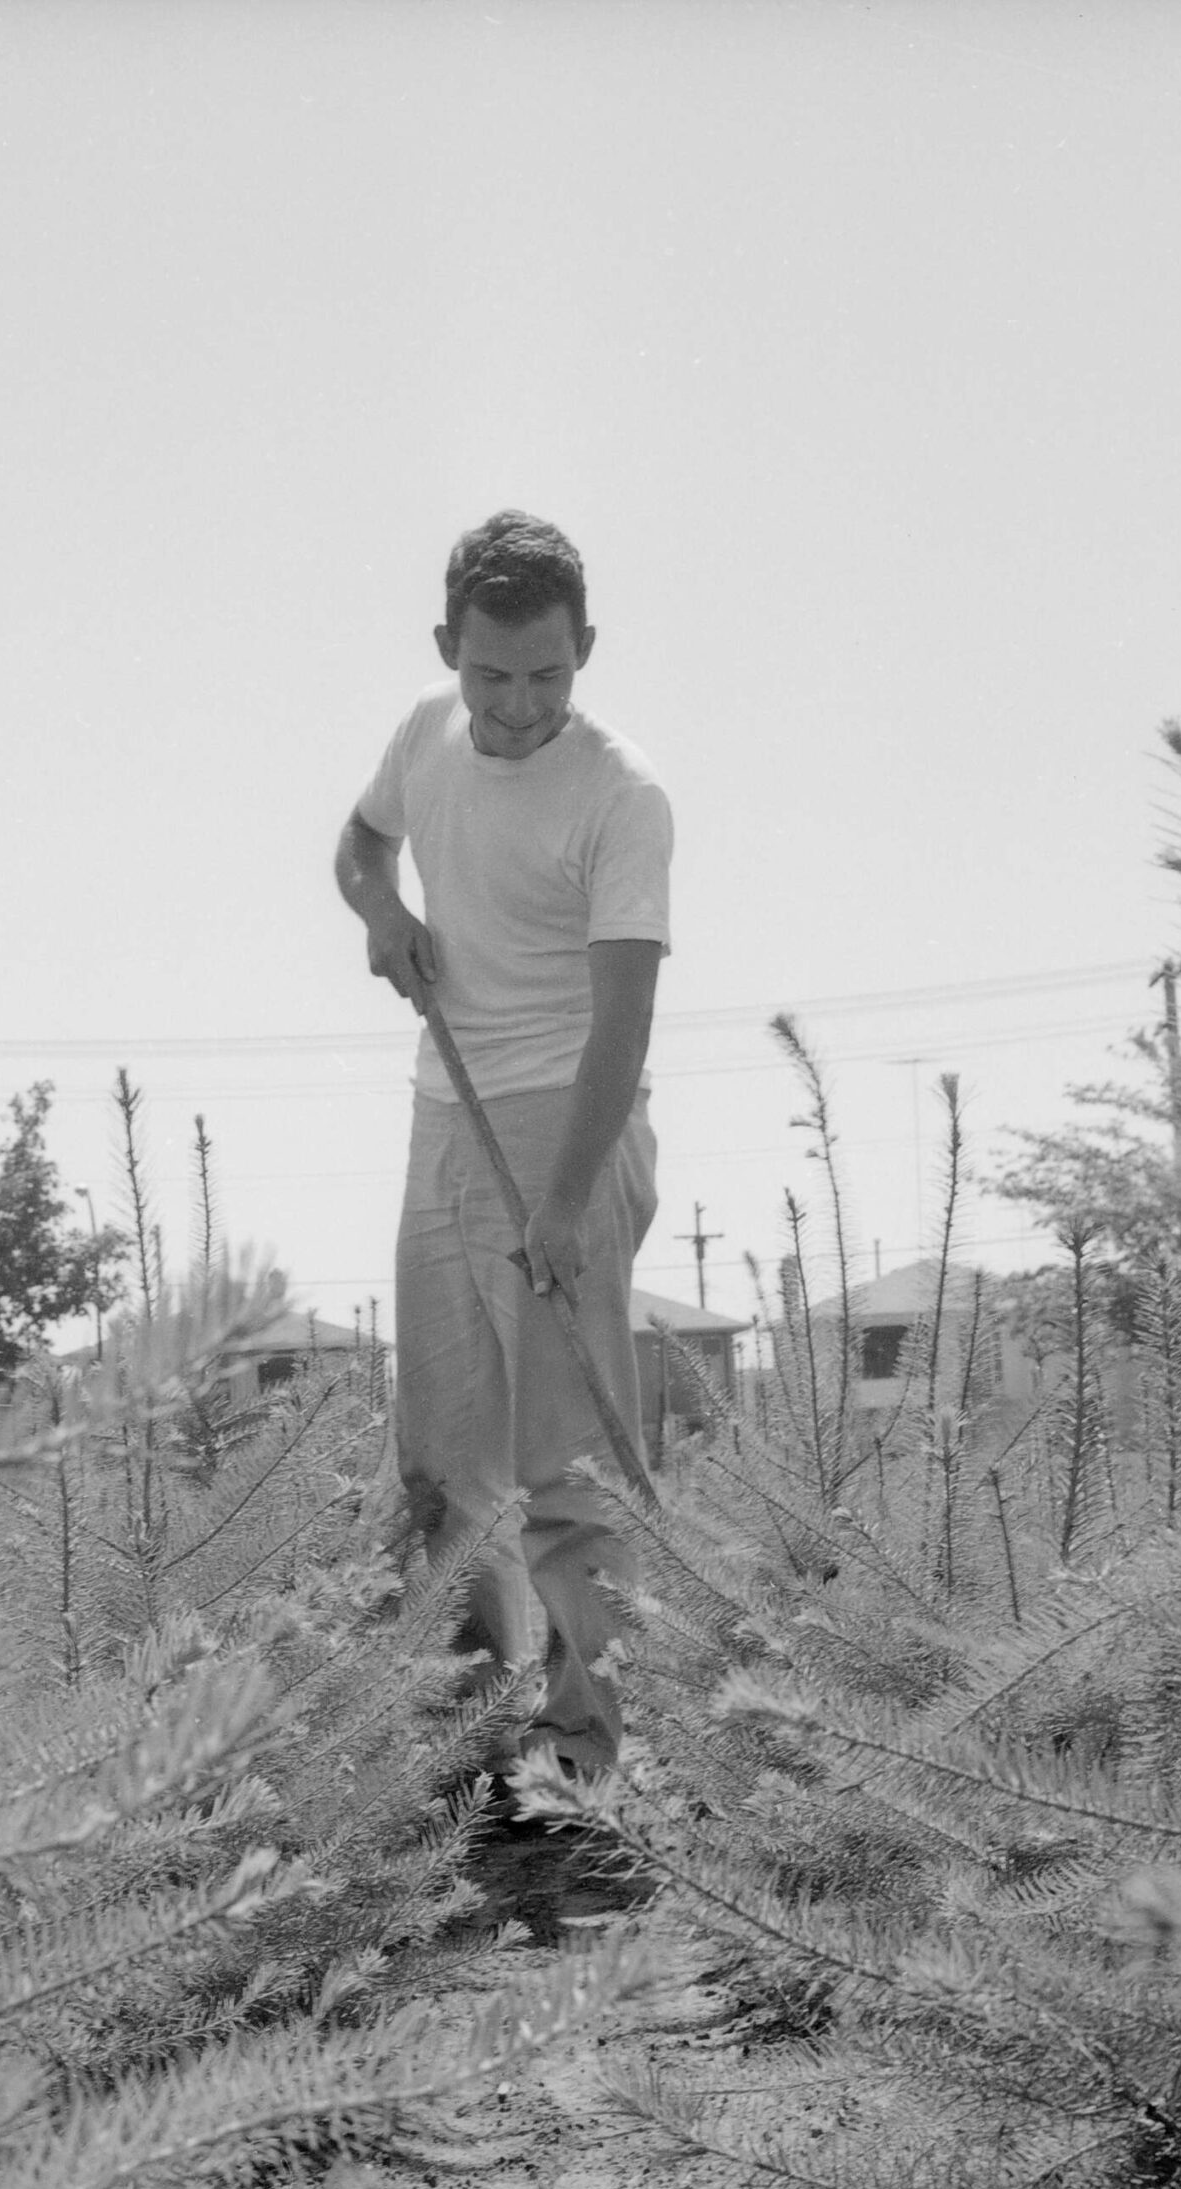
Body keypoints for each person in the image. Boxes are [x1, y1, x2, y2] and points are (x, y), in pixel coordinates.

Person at [332, 511, 670, 1785]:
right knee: (441, 1464)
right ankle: (474, 1753)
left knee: (567, 1472)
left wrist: (569, 1203)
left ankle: (595, 1762)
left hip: (569, 1115)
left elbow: (624, 1023)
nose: (520, 705)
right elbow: (359, 845)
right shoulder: (423, 737)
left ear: (585, 648)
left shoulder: (624, 797)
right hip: (445, 1118)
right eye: (492, 675)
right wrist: (384, 914)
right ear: (446, 651)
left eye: (548, 674)